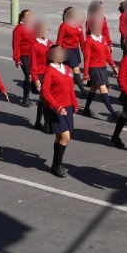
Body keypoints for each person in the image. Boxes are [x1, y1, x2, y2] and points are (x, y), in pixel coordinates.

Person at [41, 44, 76, 176]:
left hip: (68, 107)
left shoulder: (67, 69)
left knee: (60, 137)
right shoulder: (50, 71)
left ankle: (55, 164)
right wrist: (57, 107)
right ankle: (57, 165)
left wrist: (75, 103)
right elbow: (45, 91)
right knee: (65, 136)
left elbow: (70, 88)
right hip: (55, 108)